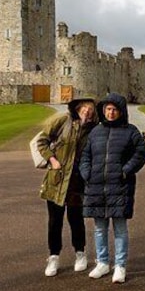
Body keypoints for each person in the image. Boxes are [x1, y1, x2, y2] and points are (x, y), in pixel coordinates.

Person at [79, 92, 145, 284]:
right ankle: (102, 262)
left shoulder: (130, 131)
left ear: (121, 111)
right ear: (103, 110)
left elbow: (141, 153)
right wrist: (87, 173)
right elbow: (85, 156)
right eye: (108, 109)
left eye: (114, 109)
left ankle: (120, 265)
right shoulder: (95, 132)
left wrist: (125, 171)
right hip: (97, 187)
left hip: (120, 187)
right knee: (100, 228)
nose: (110, 112)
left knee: (120, 228)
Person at [35, 96, 98, 277]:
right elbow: (42, 141)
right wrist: (52, 159)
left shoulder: (93, 130)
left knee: (76, 219)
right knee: (55, 222)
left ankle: (80, 253)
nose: (87, 111)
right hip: (57, 180)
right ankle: (53, 257)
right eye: (85, 107)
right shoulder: (64, 121)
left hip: (78, 182)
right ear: (78, 107)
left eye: (91, 108)